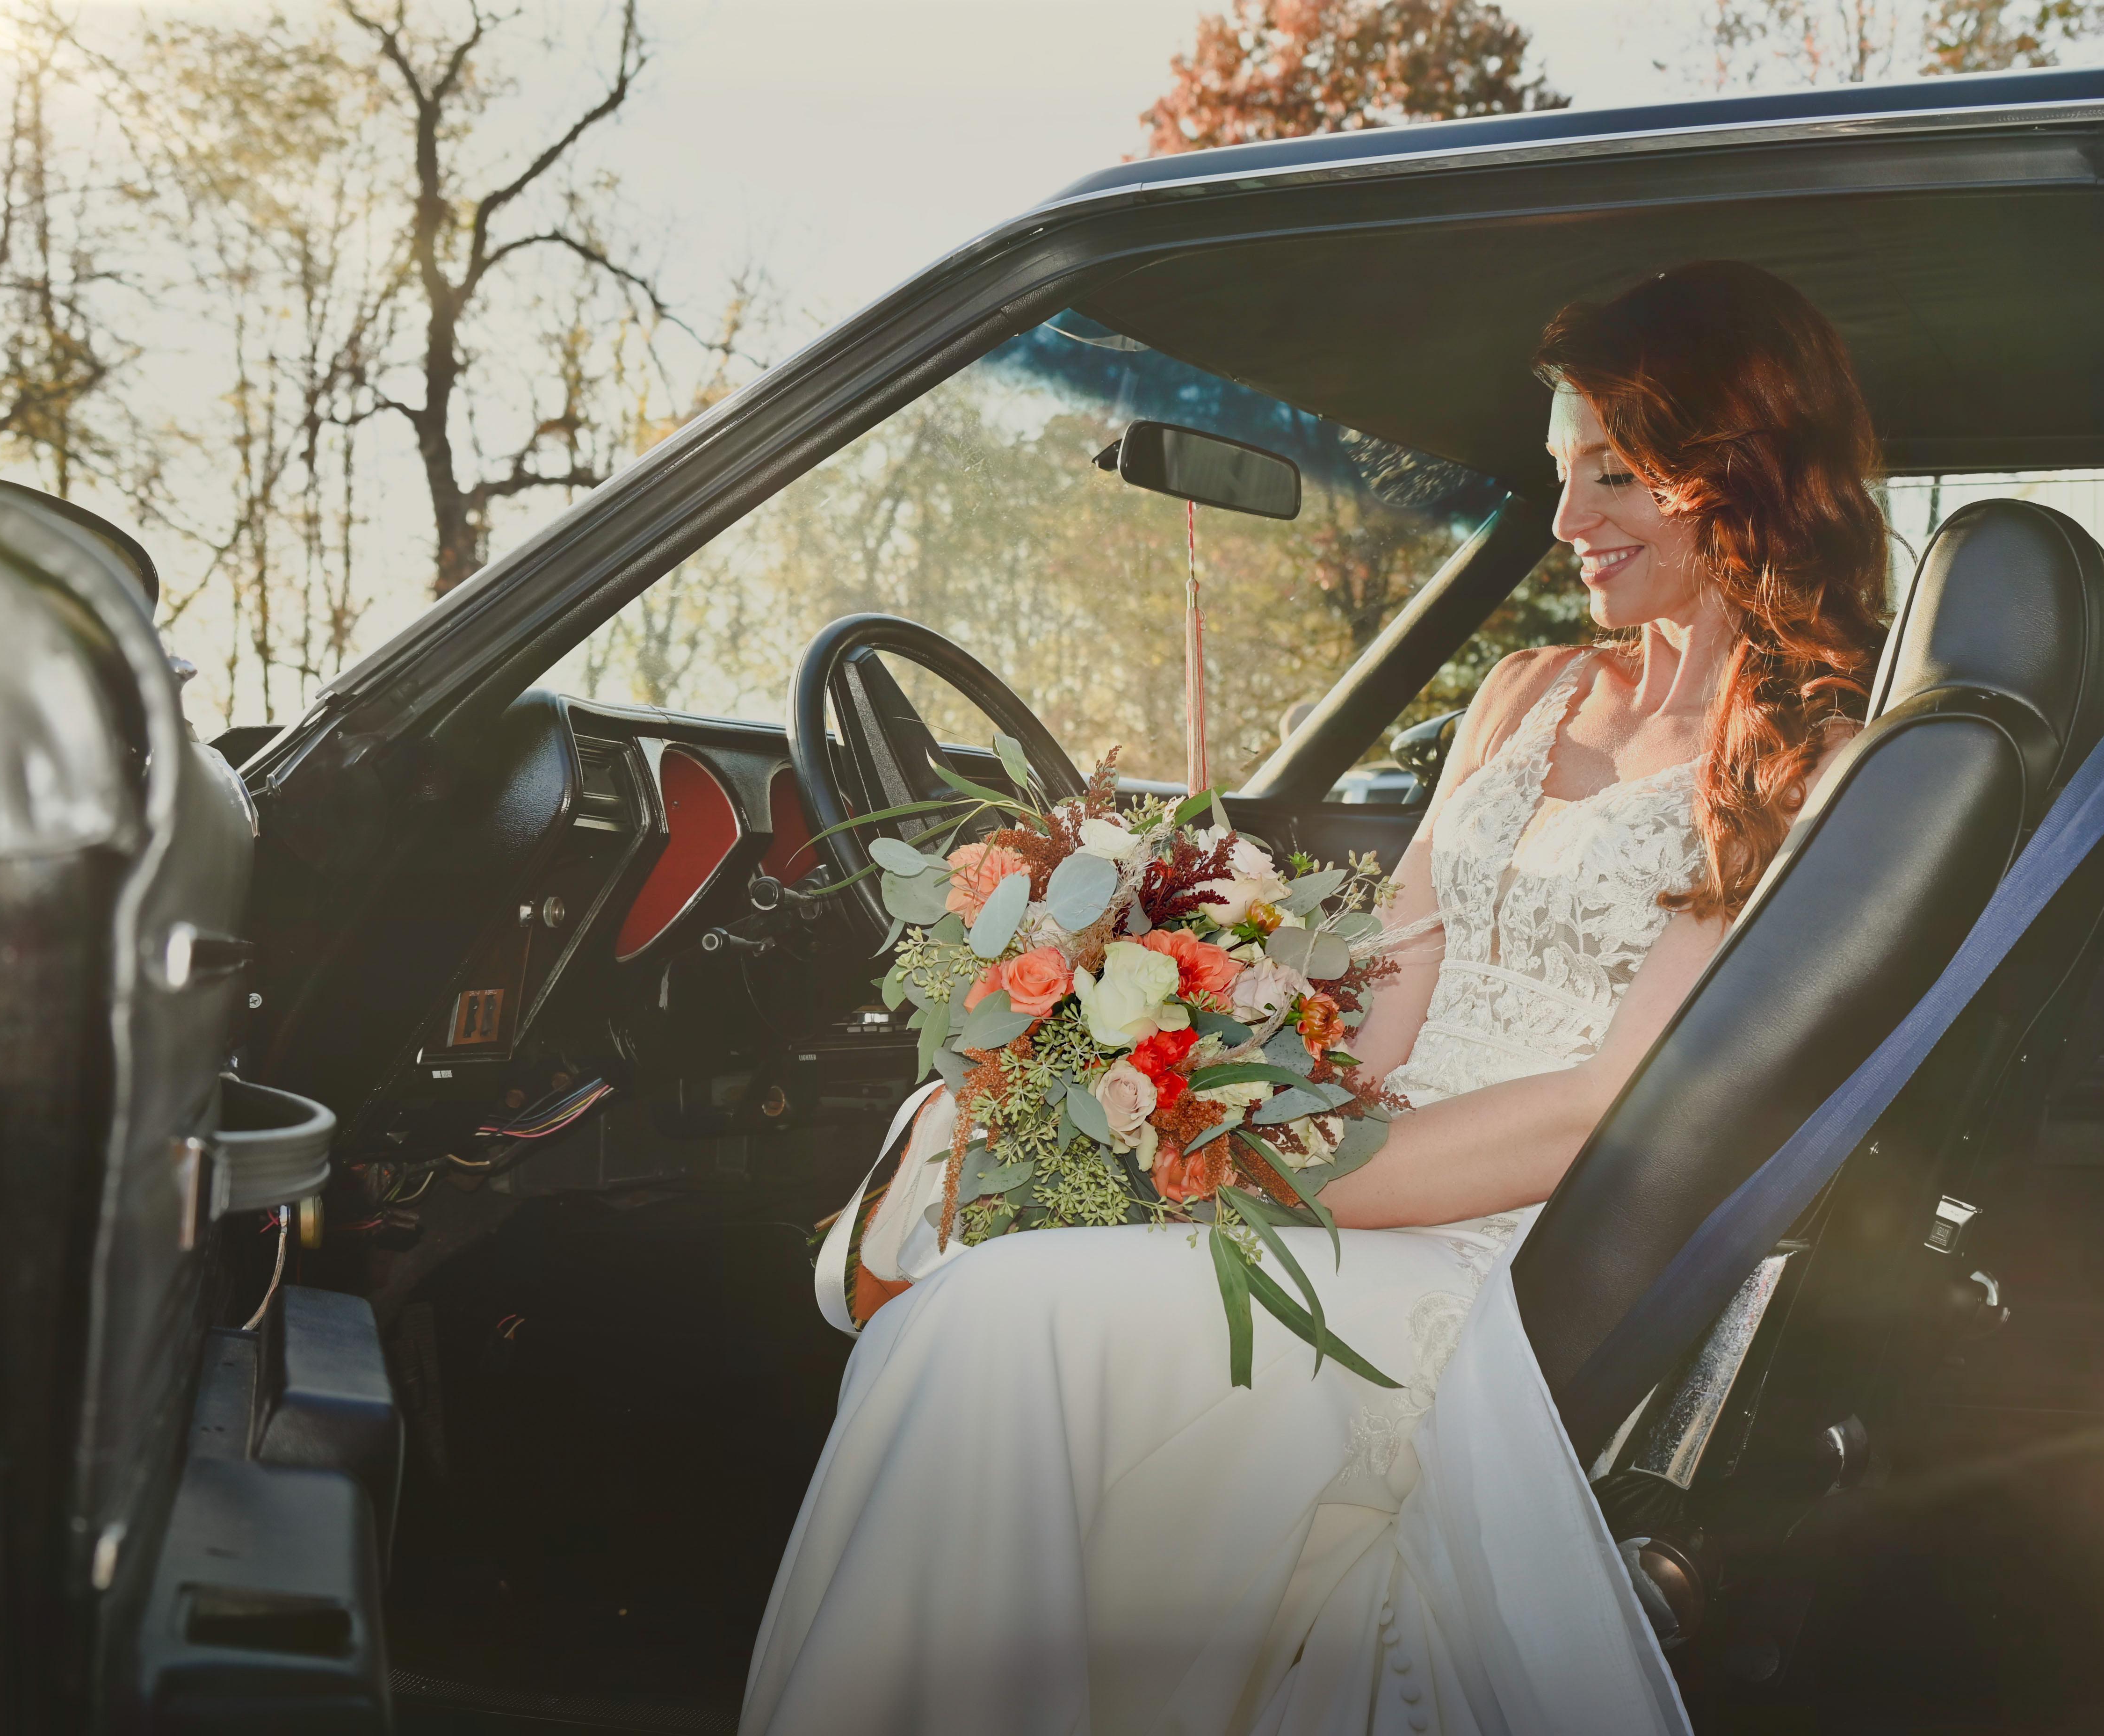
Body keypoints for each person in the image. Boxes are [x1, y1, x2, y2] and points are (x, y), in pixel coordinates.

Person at [741, 260, 1890, 1736]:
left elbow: (1611, 1112)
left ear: (1739, 471)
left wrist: (1269, 1174)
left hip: (1512, 1257)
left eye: (1615, 472)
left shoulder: (1802, 757)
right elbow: (1393, 979)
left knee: (990, 1327)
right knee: (980, 1280)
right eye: (1560, 471)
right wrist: (1192, 1034)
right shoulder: (1527, 690)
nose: (1567, 522)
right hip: (1364, 1173)